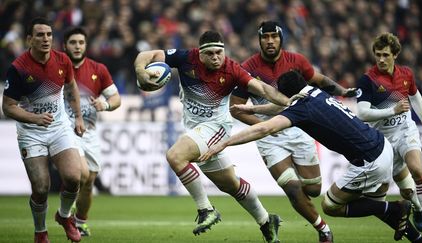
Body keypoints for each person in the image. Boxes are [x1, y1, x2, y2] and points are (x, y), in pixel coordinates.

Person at [199, 70, 422, 242]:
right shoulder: (315, 93)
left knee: (330, 205)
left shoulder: (301, 108)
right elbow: (285, 106)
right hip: (382, 147)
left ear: (286, 93)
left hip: (370, 161)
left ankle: (397, 208)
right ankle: (417, 238)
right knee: (372, 207)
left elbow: (264, 129)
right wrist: (254, 109)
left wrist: (225, 143)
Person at [134, 30, 300, 243]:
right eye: (210, 53)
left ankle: (206, 209)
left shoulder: (232, 70)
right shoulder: (186, 58)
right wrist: (140, 72)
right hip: (195, 129)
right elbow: (146, 55)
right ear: (200, 54)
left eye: (219, 52)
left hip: (216, 127)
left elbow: (263, 89)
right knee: (231, 185)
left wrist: (290, 103)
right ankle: (267, 221)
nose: (215, 57)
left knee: (175, 156)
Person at [231, 20, 356, 243]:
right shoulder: (247, 68)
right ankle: (324, 230)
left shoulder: (296, 61)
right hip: (270, 137)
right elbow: (236, 109)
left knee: (314, 189)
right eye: (265, 37)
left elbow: (319, 80)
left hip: (299, 129)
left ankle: (304, 203)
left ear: (281, 38)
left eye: (274, 36)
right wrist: (262, 128)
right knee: (291, 188)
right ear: (259, 40)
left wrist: (343, 91)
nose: (270, 41)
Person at [2, 17, 83, 243]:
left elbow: (71, 86)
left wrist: (77, 117)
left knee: (74, 177)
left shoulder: (63, 60)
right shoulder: (18, 69)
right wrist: (34, 118)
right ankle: (40, 232)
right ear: (29, 39)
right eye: (40, 35)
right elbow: (7, 107)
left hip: (58, 127)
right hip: (31, 131)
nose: (46, 39)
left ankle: (65, 216)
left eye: (48, 34)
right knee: (40, 187)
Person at [356, 32, 422, 237]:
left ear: (395, 55)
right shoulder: (368, 80)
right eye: (378, 54)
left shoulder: (406, 74)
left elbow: (415, 95)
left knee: (417, 169)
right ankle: (416, 207)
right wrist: (392, 110)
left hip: (406, 130)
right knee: (406, 191)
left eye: (385, 55)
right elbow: (362, 114)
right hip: (383, 140)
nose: (381, 59)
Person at [63, 26, 121, 237]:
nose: (77, 46)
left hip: (90, 131)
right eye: (73, 42)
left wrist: (104, 105)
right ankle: (64, 213)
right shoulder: (57, 67)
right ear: (65, 46)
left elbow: (116, 99)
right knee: (79, 174)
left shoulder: (98, 69)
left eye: (81, 42)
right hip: (65, 130)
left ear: (86, 45)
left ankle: (80, 221)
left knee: (89, 182)